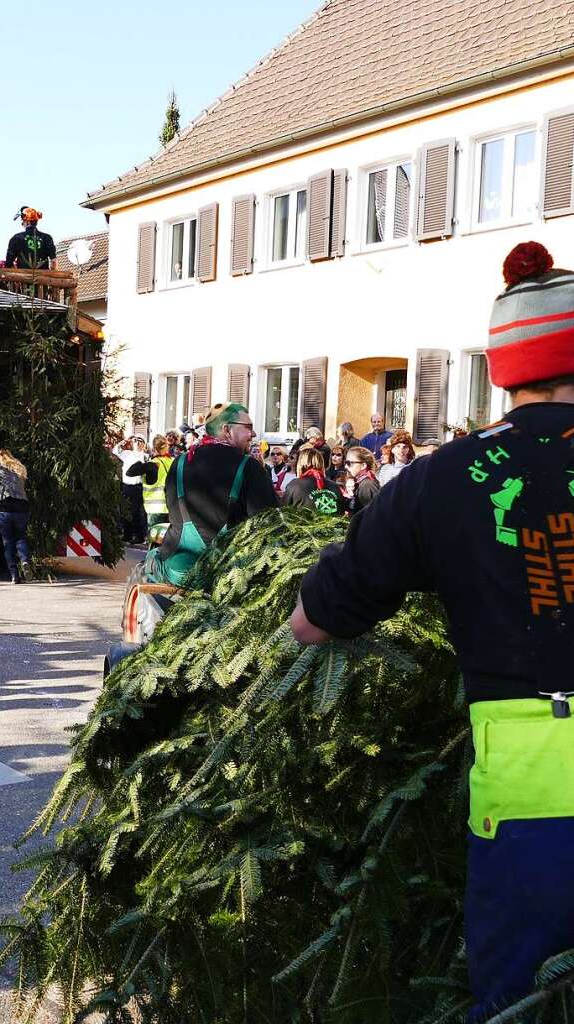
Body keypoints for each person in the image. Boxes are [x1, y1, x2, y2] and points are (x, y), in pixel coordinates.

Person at [290, 240, 574, 1022]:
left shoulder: (441, 480)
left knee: (525, 1003)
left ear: (506, 367)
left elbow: (315, 623)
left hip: (533, 798)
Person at [144, 402, 276, 585]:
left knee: (149, 562)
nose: (252, 434)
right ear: (226, 430)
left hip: (178, 570)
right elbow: (268, 523)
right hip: (226, 576)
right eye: (248, 428)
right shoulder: (250, 467)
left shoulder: (180, 462)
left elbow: (172, 506)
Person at [0, 449, 31, 584]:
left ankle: (14, 575)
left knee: (7, 541)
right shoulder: (19, 466)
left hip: (2, 508)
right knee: (21, 537)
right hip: (21, 507)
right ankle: (24, 561)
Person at [126, 435, 174, 528]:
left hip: (155, 509)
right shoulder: (172, 461)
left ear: (154, 448)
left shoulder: (152, 464)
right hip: (172, 507)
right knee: (168, 539)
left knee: (155, 538)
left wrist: (139, 459)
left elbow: (130, 472)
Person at [283, 445, 344, 515]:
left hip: (303, 525)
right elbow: (341, 513)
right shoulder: (334, 486)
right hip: (331, 524)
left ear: (300, 464)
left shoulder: (294, 485)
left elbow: (284, 513)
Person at [114, 436, 148, 544]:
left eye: (140, 441)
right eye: (135, 441)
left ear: (143, 444)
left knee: (135, 512)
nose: (137, 443)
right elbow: (115, 450)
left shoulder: (145, 456)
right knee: (125, 510)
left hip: (137, 486)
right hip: (126, 486)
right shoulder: (127, 453)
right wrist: (124, 441)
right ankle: (127, 534)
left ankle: (139, 536)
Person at [342, 446, 379, 515]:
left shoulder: (367, 485)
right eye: (345, 462)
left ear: (363, 466)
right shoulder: (358, 482)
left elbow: (373, 514)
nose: (345, 466)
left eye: (349, 463)